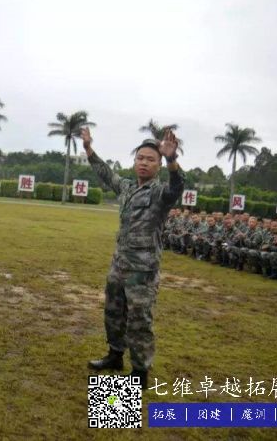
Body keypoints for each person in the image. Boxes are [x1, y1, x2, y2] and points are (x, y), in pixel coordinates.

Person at [84, 127, 184, 389]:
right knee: (113, 312)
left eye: (151, 159)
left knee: (139, 320)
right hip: (119, 264)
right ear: (134, 161)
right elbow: (105, 173)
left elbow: (177, 187)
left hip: (143, 270)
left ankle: (140, 372)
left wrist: (173, 160)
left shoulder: (159, 193)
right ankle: (115, 356)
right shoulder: (127, 188)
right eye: (140, 158)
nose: (144, 163)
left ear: (159, 165)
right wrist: (88, 149)